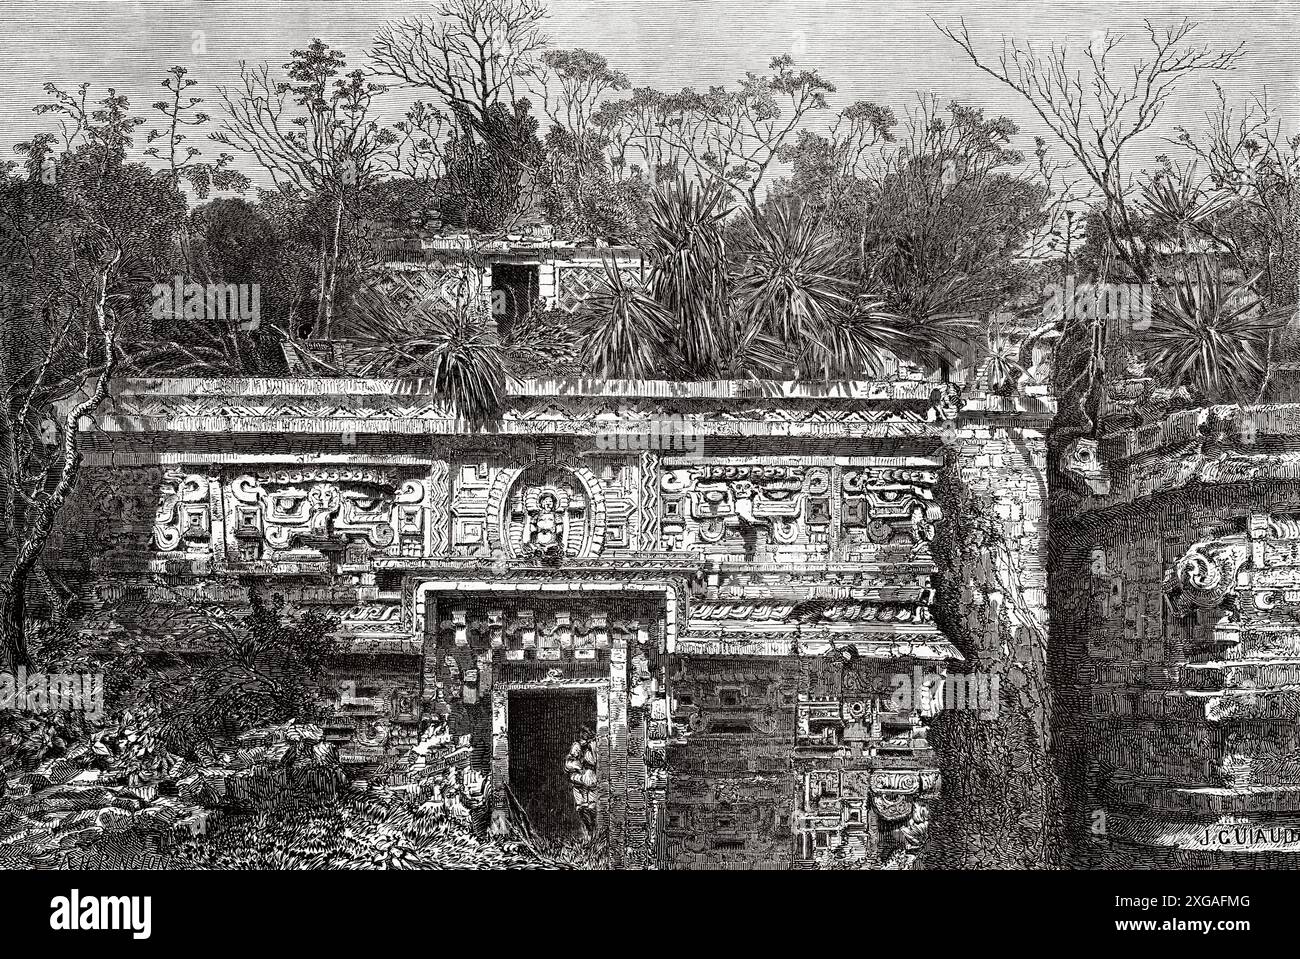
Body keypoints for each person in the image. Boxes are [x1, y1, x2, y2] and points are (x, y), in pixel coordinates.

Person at [565, 725, 598, 839]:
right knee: (581, 808)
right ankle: (589, 834)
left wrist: (591, 746)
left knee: (592, 808)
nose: (583, 735)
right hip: (578, 781)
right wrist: (577, 766)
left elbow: (595, 761)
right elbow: (568, 764)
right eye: (582, 732)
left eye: (586, 732)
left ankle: (594, 834)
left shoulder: (594, 744)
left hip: (591, 781)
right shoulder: (576, 746)